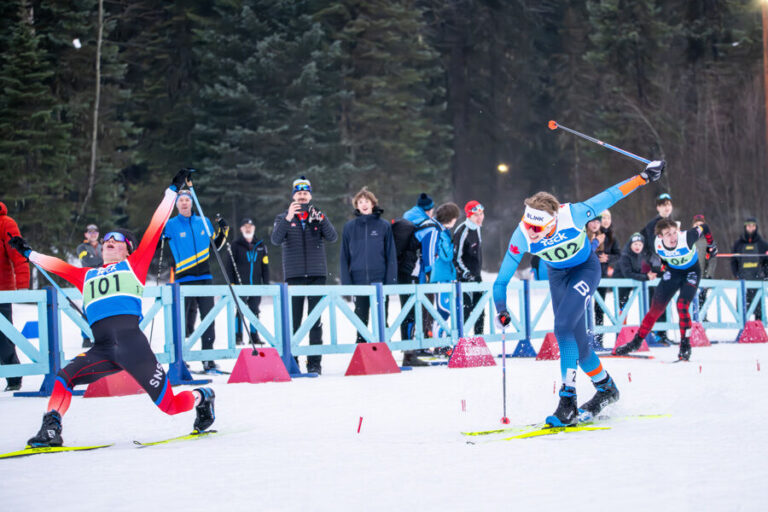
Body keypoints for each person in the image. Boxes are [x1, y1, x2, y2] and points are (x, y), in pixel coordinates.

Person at [8, 169, 215, 447]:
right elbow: (58, 265)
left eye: (115, 240)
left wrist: (173, 190)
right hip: (102, 349)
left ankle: (203, 397)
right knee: (64, 377)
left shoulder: (135, 265)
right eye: (106, 240)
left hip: (135, 349)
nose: (108, 242)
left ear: (127, 249)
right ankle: (51, 428)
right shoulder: (87, 275)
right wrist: (28, 252)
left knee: (171, 406)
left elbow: (155, 225)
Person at [494, 160, 665, 426]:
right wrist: (501, 308)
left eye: (537, 229)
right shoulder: (522, 235)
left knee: (562, 327)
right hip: (558, 277)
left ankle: (567, 400)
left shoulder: (573, 215)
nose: (531, 233)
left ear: (552, 222)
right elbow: (500, 281)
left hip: (585, 270)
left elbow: (612, 194)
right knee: (581, 350)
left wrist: (644, 176)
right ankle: (607, 388)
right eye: (528, 225)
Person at [614, 218, 717, 361]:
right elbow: (659, 256)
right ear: (660, 237)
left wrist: (711, 245)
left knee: (682, 305)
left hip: (691, 272)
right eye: (668, 234)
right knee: (655, 310)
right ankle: (636, 342)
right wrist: (662, 264)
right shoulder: (656, 244)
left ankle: (685, 346)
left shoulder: (687, 237)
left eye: (675, 232)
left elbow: (704, 227)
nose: (673, 237)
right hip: (673, 272)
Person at [271, 176, 338, 374]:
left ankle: (314, 362)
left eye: (305, 193)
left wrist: (322, 220)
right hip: (295, 275)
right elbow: (275, 239)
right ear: (293, 197)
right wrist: (288, 218)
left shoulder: (317, 215)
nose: (302, 197)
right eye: (298, 194)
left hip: (317, 274)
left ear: (310, 196)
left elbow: (332, 237)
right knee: (295, 320)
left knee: (315, 320)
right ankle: (293, 360)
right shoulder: (283, 217)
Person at [163, 189, 228, 373]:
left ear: (192, 203)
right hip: (183, 279)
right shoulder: (171, 224)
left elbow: (215, 247)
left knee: (208, 319)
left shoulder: (204, 222)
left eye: (187, 200)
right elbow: (160, 241)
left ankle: (208, 359)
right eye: (181, 200)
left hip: (205, 277)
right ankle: (180, 359)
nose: (184, 203)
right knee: (182, 321)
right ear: (176, 204)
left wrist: (223, 231)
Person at [339, 187, 397, 343]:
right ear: (356, 205)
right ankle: (362, 354)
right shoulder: (349, 227)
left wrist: (391, 281)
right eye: (360, 202)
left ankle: (384, 350)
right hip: (358, 281)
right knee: (360, 321)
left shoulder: (383, 226)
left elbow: (390, 254)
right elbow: (344, 256)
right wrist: (346, 282)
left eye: (367, 201)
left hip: (379, 280)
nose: (364, 204)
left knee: (381, 320)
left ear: (373, 204)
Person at [0, 201, 30, 392]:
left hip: (1, 291)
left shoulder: (6, 223)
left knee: (3, 337)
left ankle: (13, 377)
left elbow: (18, 255)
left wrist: (22, 287)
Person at [225, 218, 269, 346]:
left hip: (255, 284)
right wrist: (231, 282)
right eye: (245, 226)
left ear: (254, 228)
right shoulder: (235, 244)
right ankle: (238, 336)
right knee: (240, 310)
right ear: (241, 229)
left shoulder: (260, 245)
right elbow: (229, 265)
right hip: (240, 284)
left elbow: (265, 265)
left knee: (254, 310)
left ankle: (254, 336)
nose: (248, 228)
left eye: (250, 226)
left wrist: (265, 283)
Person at [391, 214, 428, 366]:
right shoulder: (418, 233)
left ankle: (409, 351)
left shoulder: (408, 232)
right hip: (408, 275)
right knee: (409, 313)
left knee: (408, 311)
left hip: (404, 274)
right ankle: (408, 353)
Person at [641, 192, 675, 345]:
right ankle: (655, 334)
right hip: (654, 267)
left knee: (665, 301)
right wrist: (657, 265)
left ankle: (663, 333)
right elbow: (651, 247)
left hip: (667, 268)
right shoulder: (653, 224)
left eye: (668, 204)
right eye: (663, 205)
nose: (666, 207)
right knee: (655, 301)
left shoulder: (672, 223)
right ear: (658, 207)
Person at [430, 203, 461, 344]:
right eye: (455, 218)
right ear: (450, 218)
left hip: (446, 276)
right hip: (441, 277)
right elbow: (446, 255)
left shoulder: (443, 231)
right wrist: (454, 246)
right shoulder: (440, 232)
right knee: (443, 310)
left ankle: (442, 340)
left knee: (446, 310)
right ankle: (439, 342)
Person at [454, 200, 485, 335]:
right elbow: (456, 258)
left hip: (477, 276)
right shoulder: (463, 231)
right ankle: (463, 341)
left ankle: (479, 341)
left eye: (481, 214)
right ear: (469, 216)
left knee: (480, 310)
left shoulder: (477, 228)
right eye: (476, 215)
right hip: (464, 278)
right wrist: (466, 274)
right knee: (465, 311)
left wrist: (476, 274)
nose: (480, 217)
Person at [730, 217, 768, 321]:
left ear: (756, 227)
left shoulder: (763, 244)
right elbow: (733, 261)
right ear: (745, 227)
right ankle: (743, 330)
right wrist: (736, 274)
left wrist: (765, 275)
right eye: (748, 226)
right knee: (742, 310)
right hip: (743, 282)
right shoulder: (738, 244)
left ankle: (759, 329)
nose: (750, 228)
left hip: (758, 282)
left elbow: (766, 262)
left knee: (759, 310)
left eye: (753, 226)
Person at [592, 210, 621, 349]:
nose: (606, 220)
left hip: (603, 276)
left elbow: (619, 254)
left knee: (600, 308)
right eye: (603, 217)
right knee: (586, 307)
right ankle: (586, 339)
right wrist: (597, 256)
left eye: (608, 218)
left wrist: (608, 258)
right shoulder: (592, 232)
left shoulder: (612, 236)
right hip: (590, 274)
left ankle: (599, 340)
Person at [75, 223, 103, 348]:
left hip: (104, 281)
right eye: (90, 232)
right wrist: (103, 262)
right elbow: (87, 261)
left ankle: (102, 335)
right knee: (87, 308)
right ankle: (86, 337)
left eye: (95, 231)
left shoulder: (103, 246)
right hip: (89, 281)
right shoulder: (81, 248)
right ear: (86, 234)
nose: (93, 234)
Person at [613, 232, 656, 312]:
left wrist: (647, 275)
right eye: (635, 244)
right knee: (622, 306)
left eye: (640, 244)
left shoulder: (640, 256)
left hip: (630, 284)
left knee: (627, 305)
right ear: (630, 244)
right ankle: (621, 323)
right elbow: (628, 274)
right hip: (619, 285)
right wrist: (646, 277)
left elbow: (637, 271)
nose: (638, 247)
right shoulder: (625, 256)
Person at [691, 214, 717, 311]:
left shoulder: (708, 241)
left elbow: (712, 259)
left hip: (703, 277)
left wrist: (709, 275)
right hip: (689, 277)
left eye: (700, 225)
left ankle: (702, 319)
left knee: (702, 301)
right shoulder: (688, 239)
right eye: (696, 224)